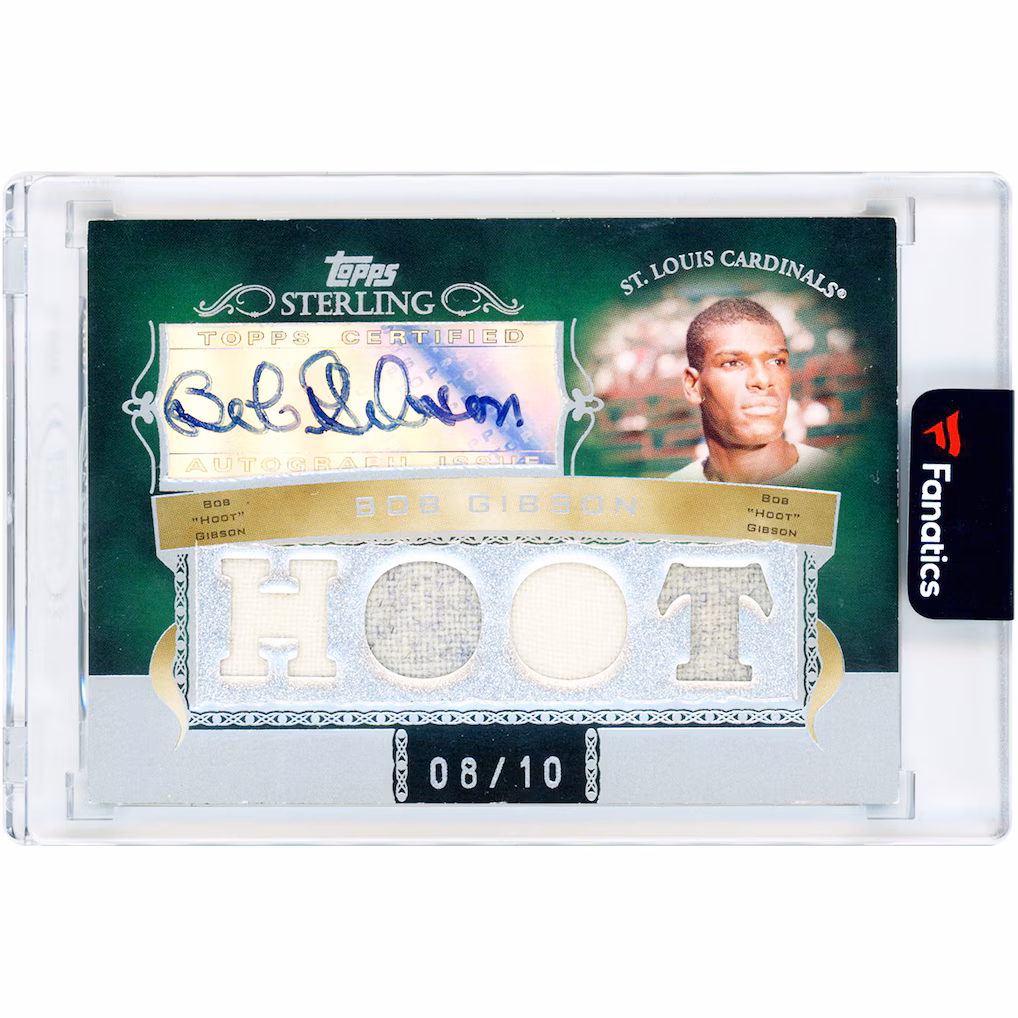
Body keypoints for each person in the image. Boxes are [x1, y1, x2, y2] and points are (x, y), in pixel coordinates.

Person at [668, 298, 832, 484]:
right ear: (693, 386)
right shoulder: (668, 495)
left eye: (777, 362)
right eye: (732, 363)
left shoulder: (842, 482)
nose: (762, 380)